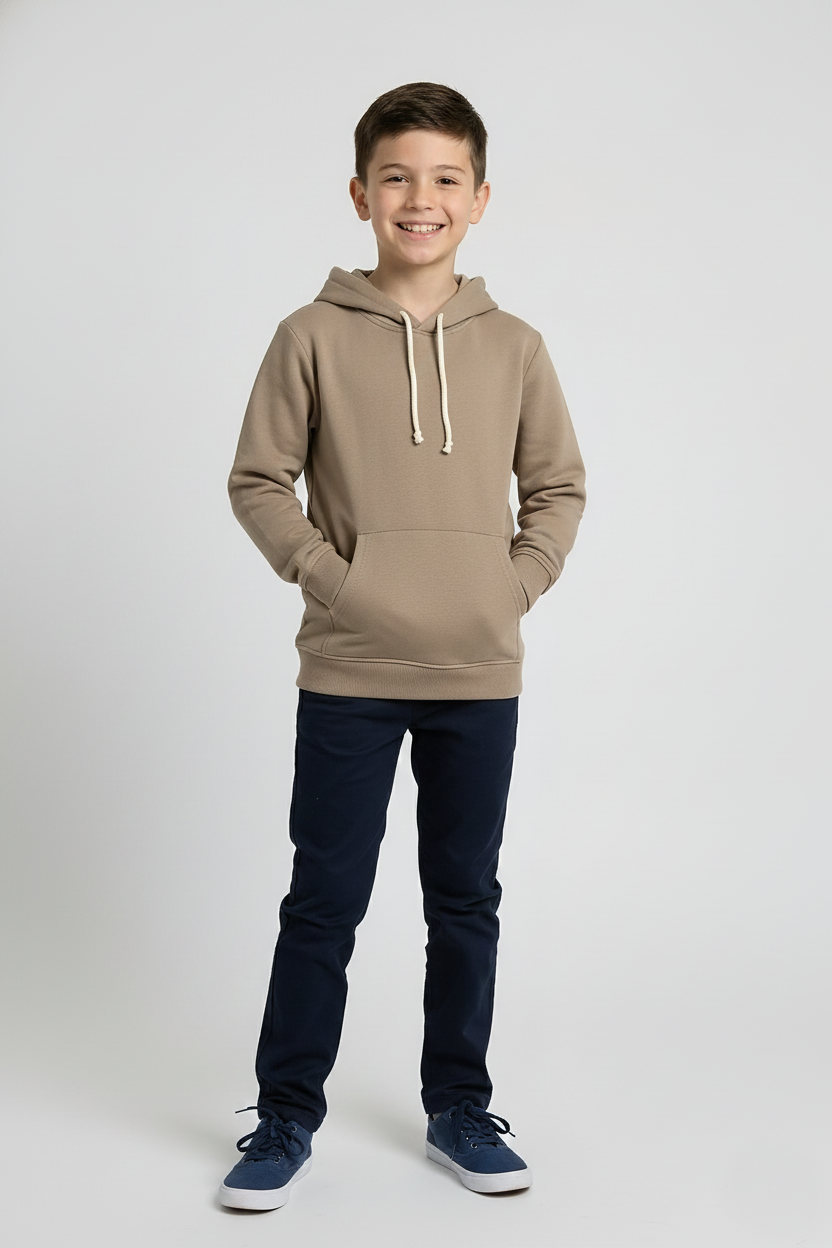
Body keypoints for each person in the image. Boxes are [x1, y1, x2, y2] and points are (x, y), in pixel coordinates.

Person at [219, 81, 586, 1211]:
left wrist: (508, 589)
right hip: (350, 670)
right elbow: (258, 480)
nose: (418, 199)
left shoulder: (515, 346)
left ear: (479, 199)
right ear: (359, 194)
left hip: (478, 672)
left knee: (463, 899)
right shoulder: (309, 335)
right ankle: (286, 1115)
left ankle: (458, 1106)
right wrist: (338, 581)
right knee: (323, 899)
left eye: (443, 180)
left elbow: (559, 488)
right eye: (396, 177)